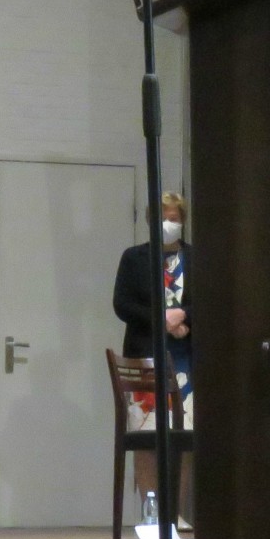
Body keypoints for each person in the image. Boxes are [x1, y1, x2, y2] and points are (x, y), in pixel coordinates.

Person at [112, 192, 192, 517]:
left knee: (186, 439)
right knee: (147, 437)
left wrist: (183, 315)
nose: (168, 224)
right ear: (149, 221)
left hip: (187, 360)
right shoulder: (133, 258)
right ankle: (151, 513)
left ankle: (181, 513)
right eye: (162, 218)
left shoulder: (197, 258)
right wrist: (163, 320)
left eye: (174, 218)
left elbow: (213, 300)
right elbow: (123, 304)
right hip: (145, 358)